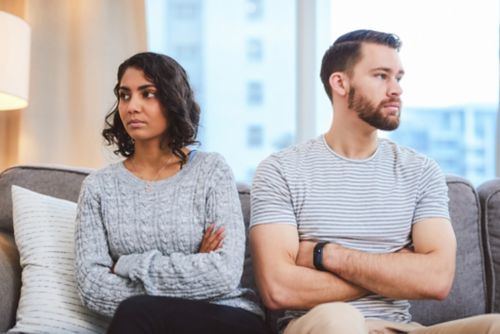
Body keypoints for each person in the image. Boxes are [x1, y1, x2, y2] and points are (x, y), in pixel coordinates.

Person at [249, 29, 500, 334]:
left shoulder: (421, 171)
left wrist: (326, 255)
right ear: (340, 83)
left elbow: (437, 279)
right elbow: (279, 289)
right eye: (381, 76)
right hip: (323, 324)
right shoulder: (281, 170)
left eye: (399, 78)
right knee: (342, 319)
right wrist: (393, 270)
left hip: (401, 328)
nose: (396, 89)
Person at [75, 52, 268, 334]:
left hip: (226, 315)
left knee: (137, 310)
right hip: (145, 322)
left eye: (148, 94)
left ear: (172, 99)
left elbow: (223, 274)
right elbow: (92, 287)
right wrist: (194, 265)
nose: (132, 107)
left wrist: (129, 264)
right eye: (125, 95)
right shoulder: (98, 187)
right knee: (139, 312)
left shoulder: (211, 170)